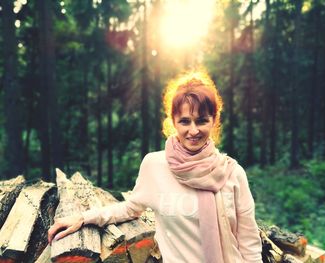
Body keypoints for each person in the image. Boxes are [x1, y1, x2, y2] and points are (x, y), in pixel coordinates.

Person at [48, 71, 262, 263]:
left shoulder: (232, 173)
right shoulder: (155, 165)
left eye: (202, 121)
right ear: (173, 121)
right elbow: (130, 208)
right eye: (185, 121)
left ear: (214, 121)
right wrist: (83, 218)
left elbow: (249, 243)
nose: (193, 130)